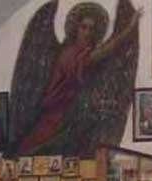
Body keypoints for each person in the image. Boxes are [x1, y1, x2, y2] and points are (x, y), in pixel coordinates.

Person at [15, 3, 141, 155]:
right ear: (75, 29)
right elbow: (102, 52)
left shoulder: (87, 53)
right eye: (84, 27)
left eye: (92, 29)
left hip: (75, 114)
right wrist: (129, 29)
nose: (87, 32)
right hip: (56, 117)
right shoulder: (68, 54)